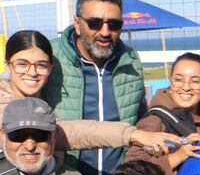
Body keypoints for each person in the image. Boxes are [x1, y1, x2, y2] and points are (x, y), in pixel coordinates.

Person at [43, 0, 147, 175]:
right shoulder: (51, 59)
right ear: (77, 23)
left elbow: (141, 118)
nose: (105, 32)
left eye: (114, 24)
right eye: (95, 23)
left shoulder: (130, 60)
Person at [2, 30, 175, 157]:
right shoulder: (6, 106)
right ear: (8, 64)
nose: (32, 72)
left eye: (41, 65)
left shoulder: (43, 100)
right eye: (22, 64)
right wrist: (132, 134)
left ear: (51, 68)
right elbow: (66, 132)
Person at [126, 52, 200, 175]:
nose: (186, 87)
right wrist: (177, 156)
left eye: (195, 81)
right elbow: (131, 173)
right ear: (170, 81)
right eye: (178, 80)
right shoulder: (155, 120)